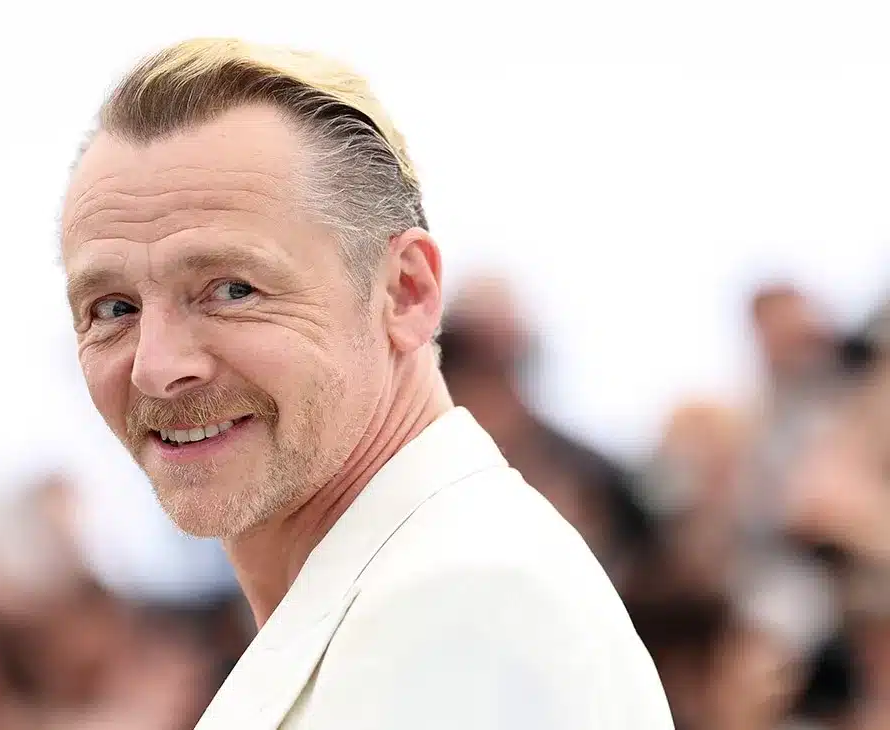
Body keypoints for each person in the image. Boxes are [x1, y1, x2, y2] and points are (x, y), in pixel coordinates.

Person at [58, 37, 673, 729]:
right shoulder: (397, 598)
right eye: (113, 308)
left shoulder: (461, 606)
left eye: (232, 289)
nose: (156, 366)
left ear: (407, 293)